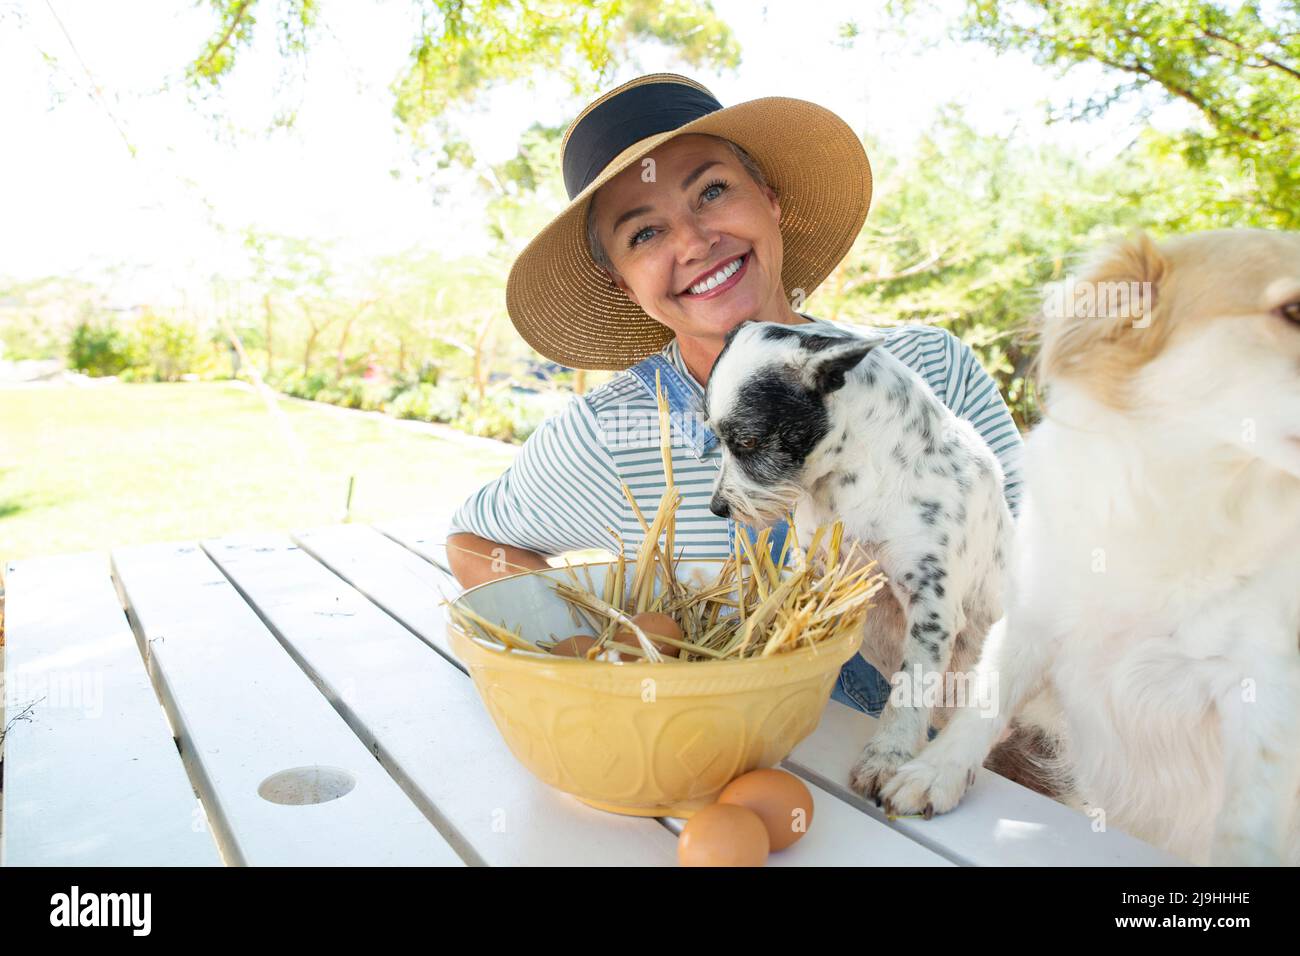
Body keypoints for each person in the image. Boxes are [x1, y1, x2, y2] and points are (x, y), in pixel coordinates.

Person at [446, 73, 1023, 717]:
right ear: (619, 283)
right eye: (644, 234)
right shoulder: (613, 431)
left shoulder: (927, 368)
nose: (694, 242)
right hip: (741, 773)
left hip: (978, 766)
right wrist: (592, 646)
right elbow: (475, 541)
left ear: (770, 201)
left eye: (712, 192)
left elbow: (1039, 567)